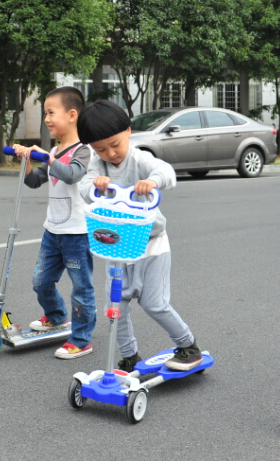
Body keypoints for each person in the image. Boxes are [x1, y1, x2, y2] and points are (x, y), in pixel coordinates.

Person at [77, 100, 203, 372]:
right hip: (117, 245)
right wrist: (96, 187)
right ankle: (129, 356)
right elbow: (84, 188)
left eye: (114, 144)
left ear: (128, 132)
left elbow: (166, 172)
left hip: (151, 244)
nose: (110, 153)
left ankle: (188, 346)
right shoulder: (97, 165)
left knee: (153, 303)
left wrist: (152, 181)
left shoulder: (139, 158)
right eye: (100, 149)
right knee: (116, 306)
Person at [11, 86, 96, 359]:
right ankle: (56, 315)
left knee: (81, 289)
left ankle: (81, 339)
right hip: (53, 230)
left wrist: (49, 158)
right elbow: (35, 181)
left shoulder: (84, 151)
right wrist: (26, 160)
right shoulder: (56, 149)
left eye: (50, 113)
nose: (46, 119)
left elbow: (72, 174)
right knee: (41, 281)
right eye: (45, 113)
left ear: (72, 115)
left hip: (77, 234)